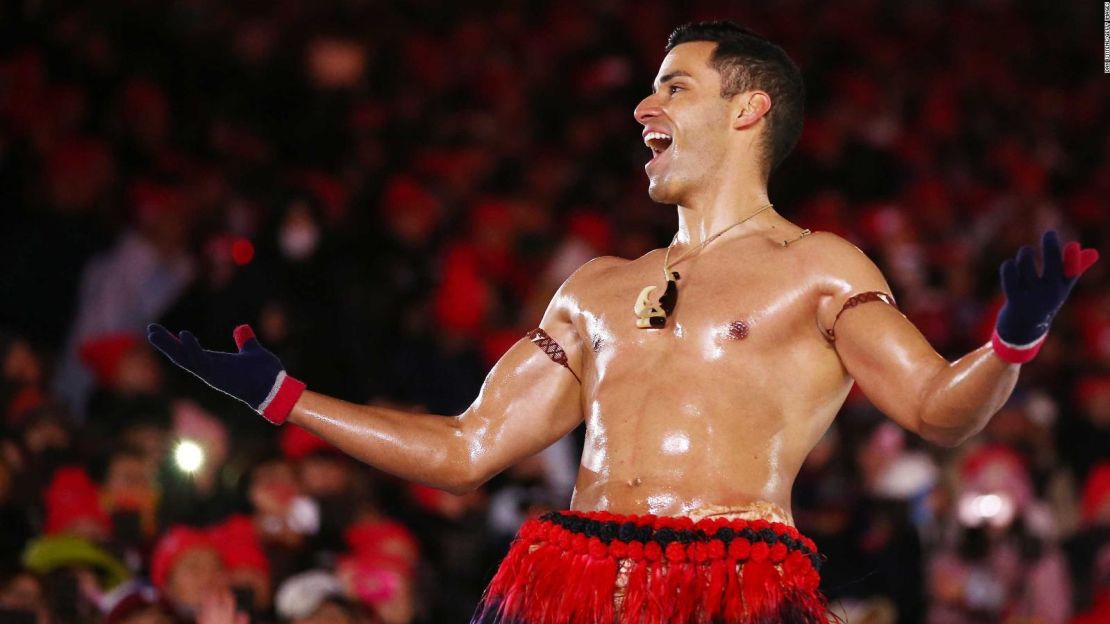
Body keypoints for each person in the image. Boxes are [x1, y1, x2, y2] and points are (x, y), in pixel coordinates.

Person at [146, 20, 1100, 624]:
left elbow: (940, 409)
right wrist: (286, 398)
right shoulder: (595, 286)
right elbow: (467, 448)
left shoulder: (817, 266)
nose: (643, 105)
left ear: (748, 109)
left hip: (734, 590)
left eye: (674, 87)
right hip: (567, 581)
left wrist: (1011, 341)